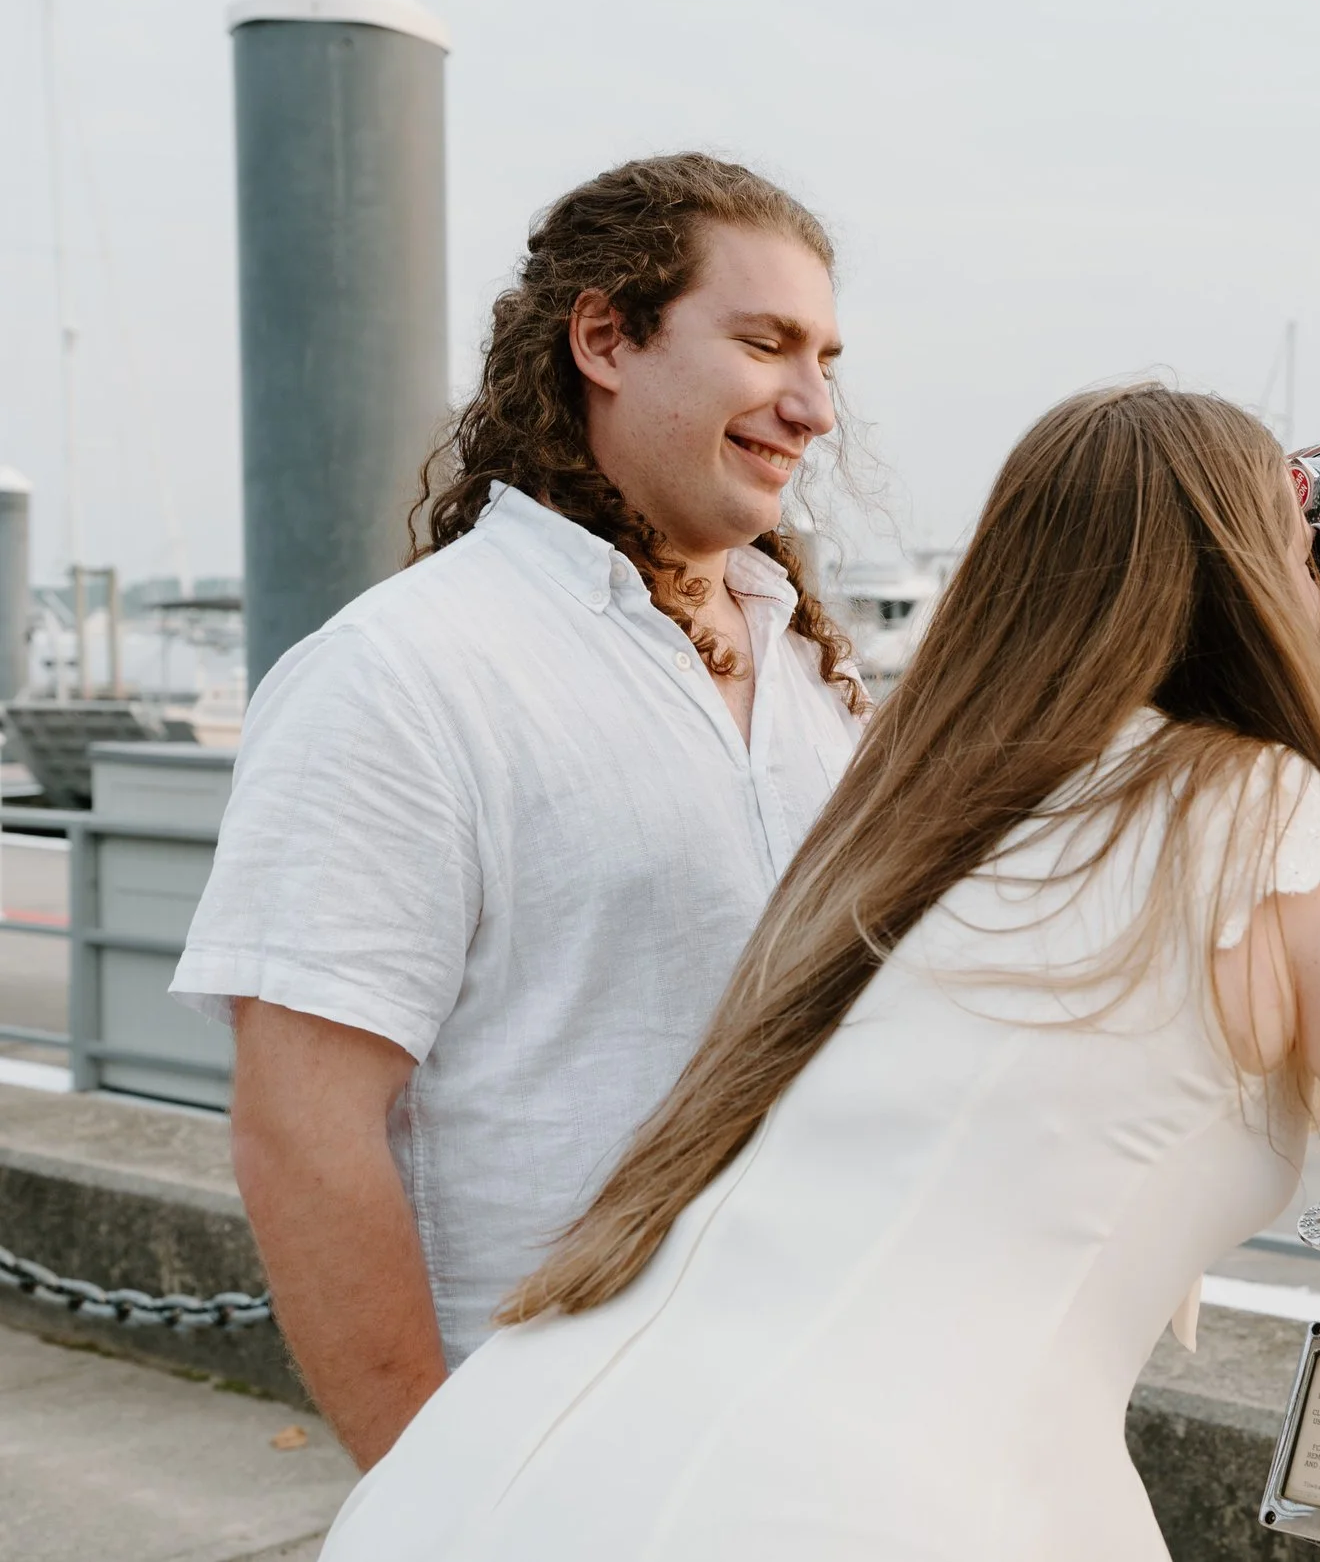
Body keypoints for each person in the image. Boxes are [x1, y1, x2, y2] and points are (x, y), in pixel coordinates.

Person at [314, 384, 1320, 1561]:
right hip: (863, 1514)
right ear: (1263, 579)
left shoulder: (896, 810)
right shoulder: (1265, 817)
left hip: (488, 1473)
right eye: (1309, 558)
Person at [170, 154, 873, 1468]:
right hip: (555, 1464)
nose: (814, 405)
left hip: (803, 1444)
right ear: (605, 338)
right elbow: (302, 1124)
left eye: (826, 357)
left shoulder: (813, 672)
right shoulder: (402, 674)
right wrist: (443, 1500)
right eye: (766, 343)